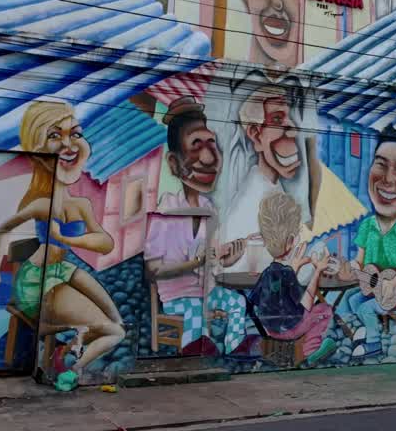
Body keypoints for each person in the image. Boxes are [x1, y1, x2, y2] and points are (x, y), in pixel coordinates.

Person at [0, 101, 124, 375]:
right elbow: (5, 228)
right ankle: (72, 369)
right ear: (38, 151)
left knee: (117, 321)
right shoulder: (41, 201)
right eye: (55, 136)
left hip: (65, 270)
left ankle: (69, 346)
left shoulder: (81, 205)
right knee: (113, 331)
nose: (69, 144)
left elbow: (106, 242)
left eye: (75, 134)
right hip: (38, 279)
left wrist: (70, 240)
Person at [145, 98, 251, 355]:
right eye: (196, 145)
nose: (208, 157)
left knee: (236, 302)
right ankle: (197, 353)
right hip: (178, 297)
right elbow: (152, 270)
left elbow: (210, 259)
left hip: (206, 292)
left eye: (211, 143)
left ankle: (234, 349)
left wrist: (227, 259)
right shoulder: (166, 211)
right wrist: (193, 264)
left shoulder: (209, 208)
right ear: (174, 162)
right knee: (196, 314)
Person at [215, 78, 319, 270]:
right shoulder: (252, 197)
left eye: (288, 118)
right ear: (255, 134)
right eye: (277, 119)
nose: (293, 130)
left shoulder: (272, 188)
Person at [344, 126, 396, 359]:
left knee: (363, 307)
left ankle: (373, 344)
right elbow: (358, 263)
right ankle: (362, 332)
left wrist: (394, 281)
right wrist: (350, 269)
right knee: (349, 301)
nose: (388, 179)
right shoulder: (367, 226)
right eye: (380, 165)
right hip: (375, 292)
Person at [248, 191, 339, 366]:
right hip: (290, 329)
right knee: (324, 309)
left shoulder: (267, 273)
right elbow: (306, 304)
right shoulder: (287, 274)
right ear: (291, 240)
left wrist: (294, 267)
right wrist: (318, 271)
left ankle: (273, 348)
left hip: (270, 329)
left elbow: (256, 300)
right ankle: (311, 350)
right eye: (297, 231)